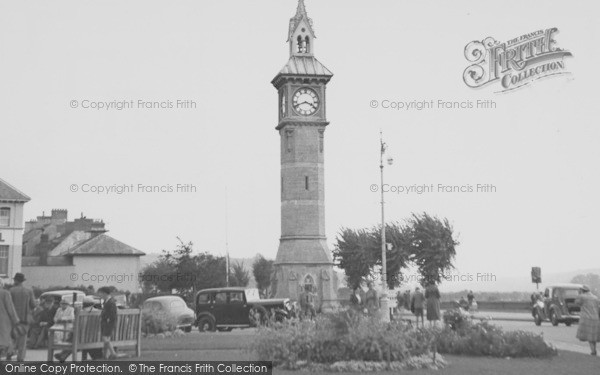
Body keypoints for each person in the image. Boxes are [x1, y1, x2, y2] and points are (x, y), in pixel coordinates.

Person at [9, 273, 35, 361]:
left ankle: (9, 354)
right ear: (23, 281)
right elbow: (33, 304)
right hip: (25, 319)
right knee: (22, 342)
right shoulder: (29, 291)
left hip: (13, 319)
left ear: (15, 280)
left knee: (12, 338)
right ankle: (20, 361)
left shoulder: (11, 291)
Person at [574, 285, 600, 355]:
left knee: (589, 336)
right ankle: (593, 350)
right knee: (593, 336)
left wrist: (579, 294)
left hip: (586, 318)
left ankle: (593, 351)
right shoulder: (595, 297)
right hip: (595, 318)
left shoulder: (582, 296)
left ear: (582, 290)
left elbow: (576, 303)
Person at [0, 278, 19, 361]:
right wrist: (16, 320)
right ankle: (8, 355)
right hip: (3, 321)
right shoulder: (5, 293)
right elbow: (10, 308)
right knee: (6, 339)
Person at [52, 298, 75, 362]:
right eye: (62, 304)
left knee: (58, 331)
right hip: (58, 324)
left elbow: (72, 317)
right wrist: (57, 320)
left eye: (65, 304)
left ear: (68, 305)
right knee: (52, 329)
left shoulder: (71, 309)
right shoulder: (59, 309)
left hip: (67, 325)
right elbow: (55, 318)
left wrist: (62, 319)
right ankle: (56, 343)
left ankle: (59, 344)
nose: (63, 305)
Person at [98, 287, 118, 359]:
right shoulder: (107, 301)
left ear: (104, 293)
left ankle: (113, 353)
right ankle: (105, 355)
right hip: (106, 322)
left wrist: (107, 320)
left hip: (109, 323)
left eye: (100, 293)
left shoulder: (111, 302)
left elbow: (112, 314)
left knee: (105, 338)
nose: (100, 295)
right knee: (107, 338)